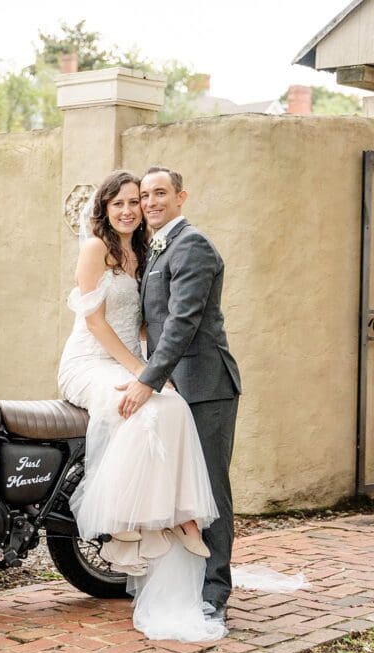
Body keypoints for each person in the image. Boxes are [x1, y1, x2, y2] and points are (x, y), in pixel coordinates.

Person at [58, 170, 226, 642]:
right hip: (91, 362)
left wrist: (151, 369)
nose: (131, 209)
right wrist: (142, 372)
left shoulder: (144, 251)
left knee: (170, 407)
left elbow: (152, 320)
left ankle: (178, 517)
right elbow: (95, 325)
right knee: (148, 407)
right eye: (121, 203)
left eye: (137, 201)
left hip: (129, 362)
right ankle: (124, 527)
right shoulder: (95, 249)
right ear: (105, 209)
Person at [119, 166, 242, 625]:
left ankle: (215, 590)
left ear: (181, 197)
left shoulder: (192, 245)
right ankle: (186, 578)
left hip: (206, 386)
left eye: (159, 194)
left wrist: (147, 379)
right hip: (174, 386)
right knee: (180, 491)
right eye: (144, 195)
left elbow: (182, 322)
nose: (150, 202)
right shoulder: (155, 247)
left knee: (211, 489)